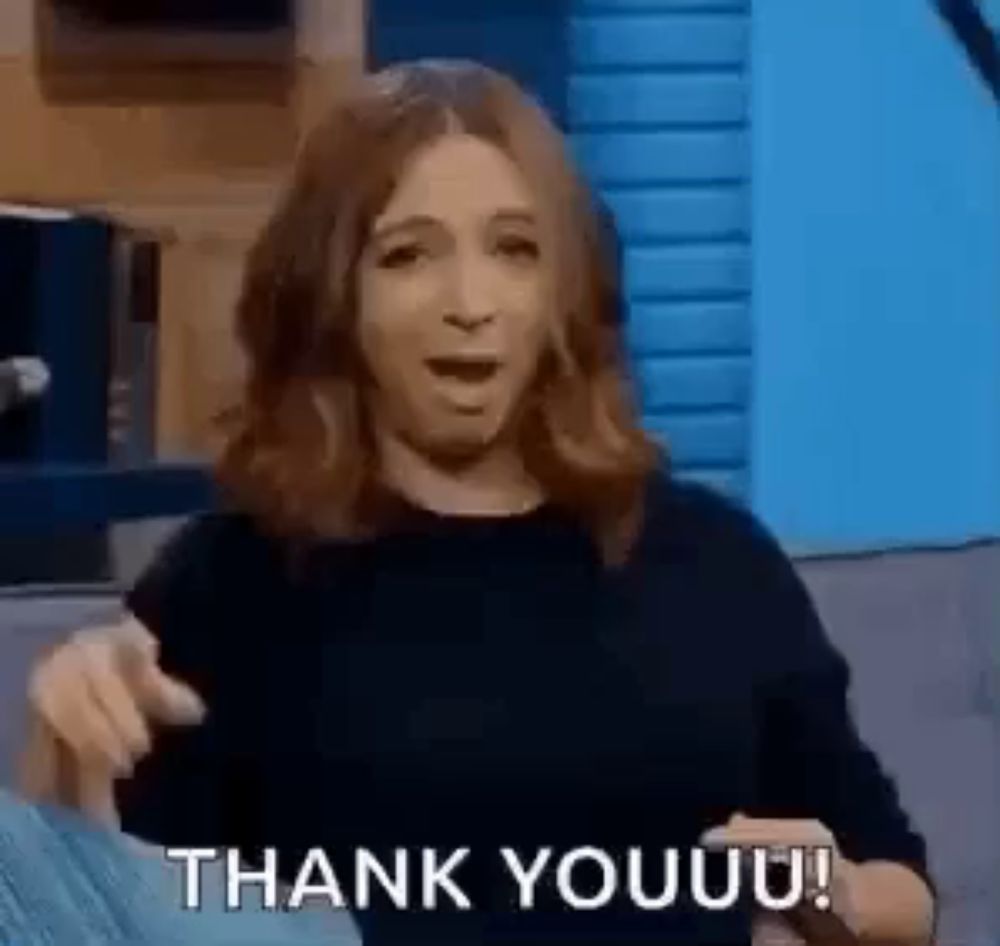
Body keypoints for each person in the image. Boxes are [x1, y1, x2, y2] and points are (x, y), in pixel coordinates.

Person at [18, 60, 935, 946]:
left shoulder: (714, 561)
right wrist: (62, 759)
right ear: (335, 295)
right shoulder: (228, 585)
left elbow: (905, 893)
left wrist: (835, 893)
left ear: (563, 289)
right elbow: (90, 917)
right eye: (410, 255)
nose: (472, 303)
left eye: (515, 250)